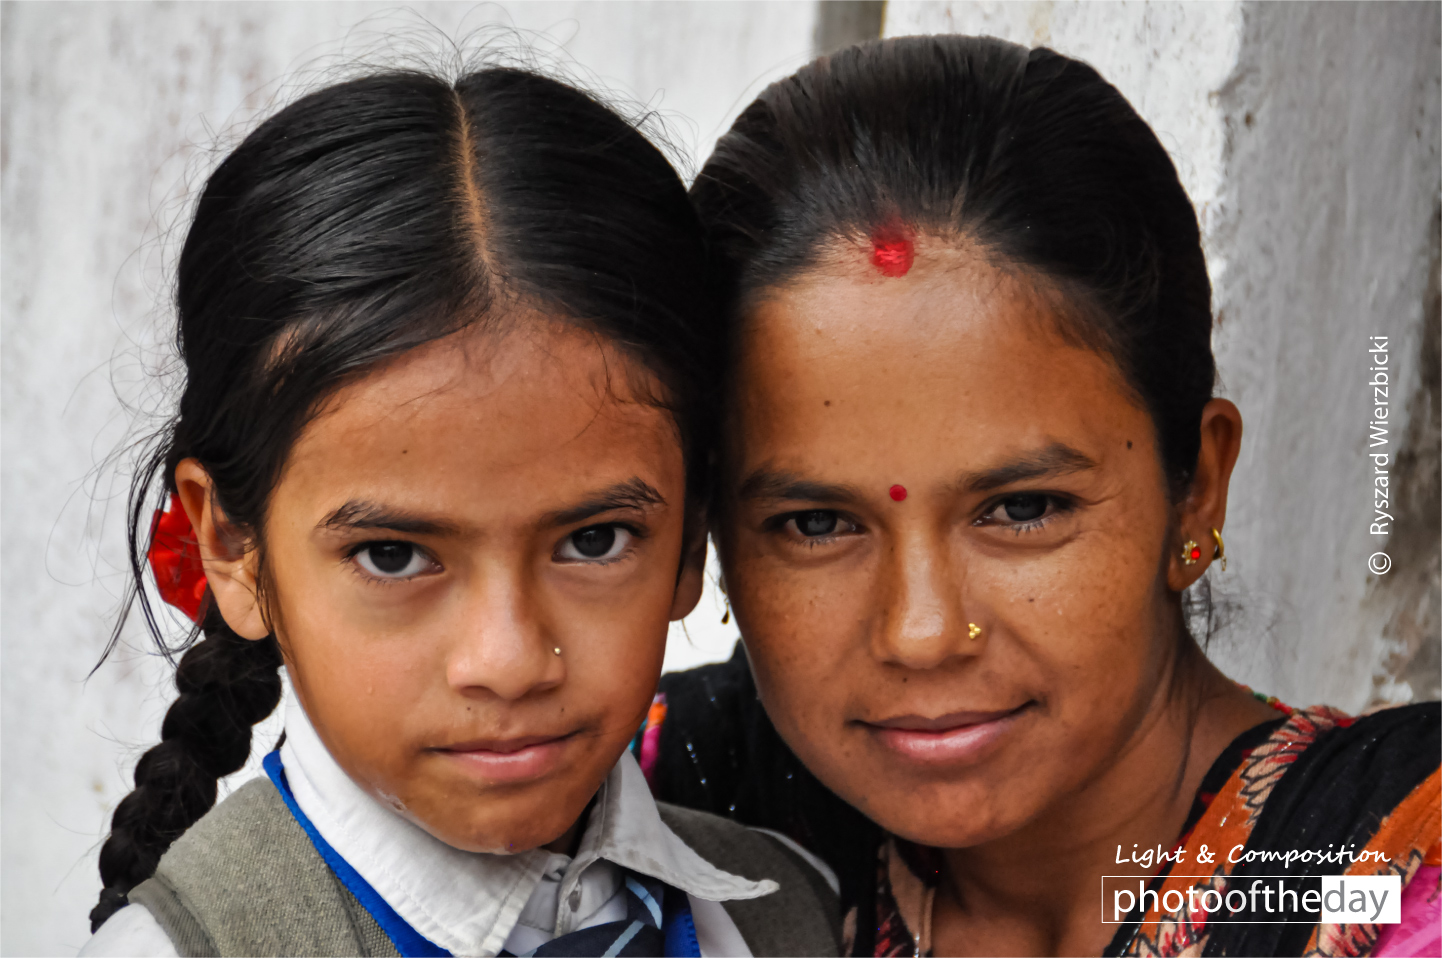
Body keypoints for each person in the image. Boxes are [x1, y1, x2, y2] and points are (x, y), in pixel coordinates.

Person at [647, 35, 1441, 957]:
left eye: (1023, 509)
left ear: (1198, 486)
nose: (924, 633)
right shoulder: (674, 806)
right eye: (817, 524)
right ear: (709, 536)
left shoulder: (1371, 877)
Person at [80, 67, 841, 958]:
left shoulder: (789, 908)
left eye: (594, 542)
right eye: (394, 556)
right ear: (232, 545)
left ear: (689, 542)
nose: (510, 662)